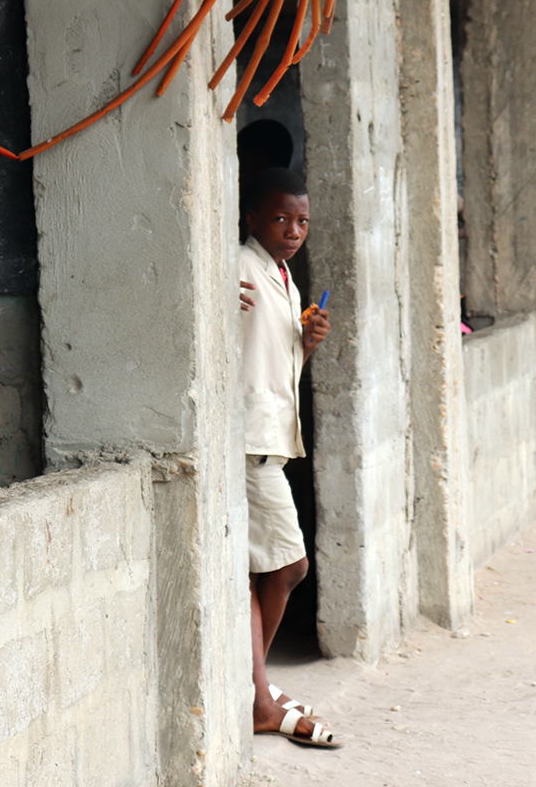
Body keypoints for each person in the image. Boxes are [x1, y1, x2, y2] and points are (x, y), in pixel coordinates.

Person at [236, 166, 339, 748]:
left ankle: (256, 691)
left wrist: (306, 343)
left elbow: (269, 356)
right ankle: (256, 697)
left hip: (270, 441)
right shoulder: (240, 269)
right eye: (280, 218)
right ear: (253, 217)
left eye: (302, 220)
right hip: (250, 444)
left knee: (264, 571)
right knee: (288, 566)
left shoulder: (284, 277)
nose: (293, 230)